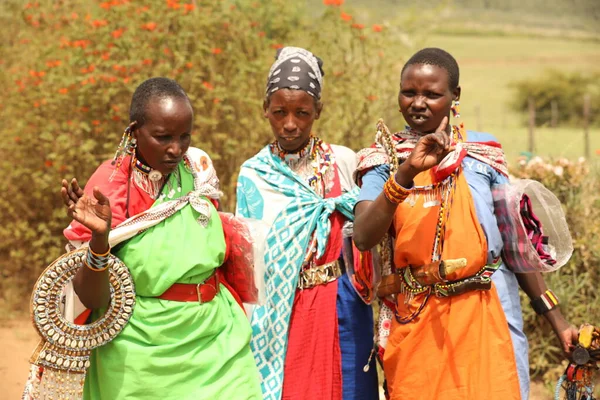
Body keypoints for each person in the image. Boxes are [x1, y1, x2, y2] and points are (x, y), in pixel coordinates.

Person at [353, 48, 577, 400]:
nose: (419, 103)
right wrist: (407, 172)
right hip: (418, 316)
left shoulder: (482, 154)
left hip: (491, 308)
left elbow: (514, 245)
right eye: (409, 93)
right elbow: (364, 236)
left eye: (432, 94)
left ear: (455, 95)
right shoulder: (383, 159)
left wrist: (557, 319)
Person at [55, 77, 261, 399]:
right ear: (135, 131)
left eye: (184, 136)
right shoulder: (109, 189)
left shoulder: (197, 168)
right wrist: (99, 241)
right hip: (140, 355)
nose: (176, 149)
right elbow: (92, 299)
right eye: (163, 137)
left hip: (217, 339)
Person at [236, 47, 379, 400]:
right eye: (279, 112)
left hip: (342, 302)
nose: (290, 123)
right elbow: (247, 260)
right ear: (264, 110)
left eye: (302, 113)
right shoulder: (254, 174)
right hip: (282, 310)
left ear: (318, 111)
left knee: (349, 388)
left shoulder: (343, 162)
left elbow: (368, 228)